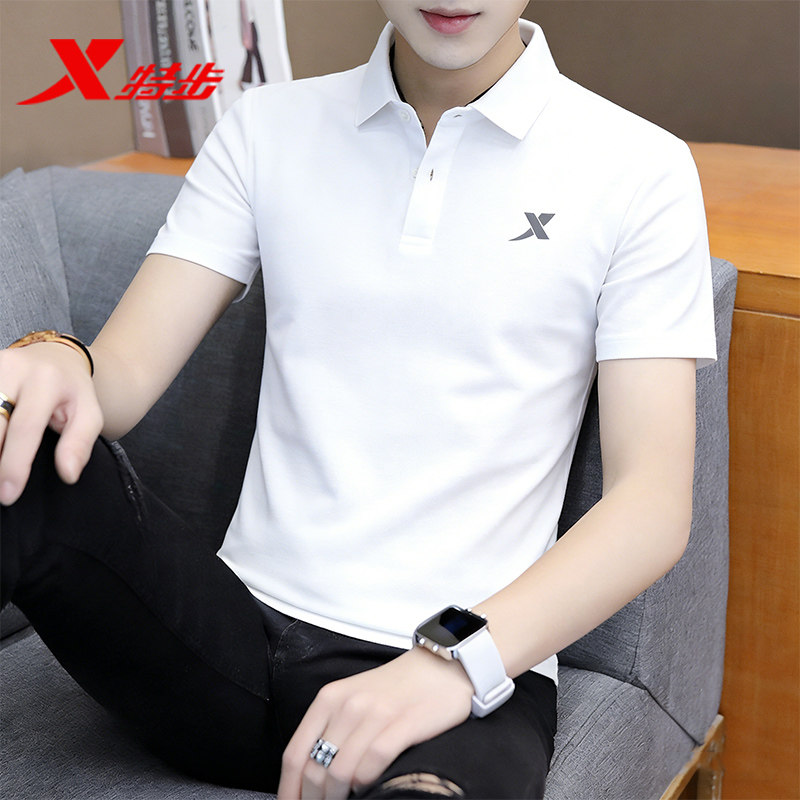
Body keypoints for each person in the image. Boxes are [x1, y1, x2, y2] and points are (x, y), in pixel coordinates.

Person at [0, 2, 716, 798]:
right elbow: (121, 377)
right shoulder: (268, 127)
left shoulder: (639, 168)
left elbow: (650, 505)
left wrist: (452, 659)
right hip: (225, 637)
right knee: (13, 447)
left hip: (452, 673)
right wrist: (55, 360)